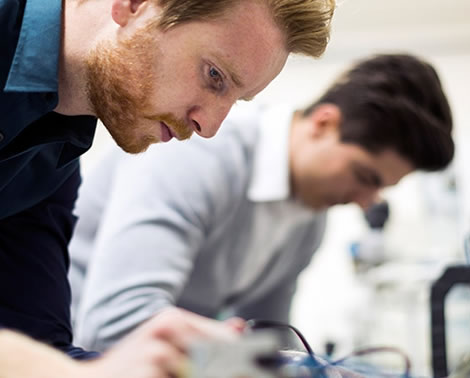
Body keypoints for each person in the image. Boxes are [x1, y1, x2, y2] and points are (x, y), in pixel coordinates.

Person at [0, 0, 333, 373]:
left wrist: (205, 367)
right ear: (135, 5)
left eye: (235, 101)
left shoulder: (51, 156)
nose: (209, 127)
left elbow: (38, 346)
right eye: (214, 76)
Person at [69, 54, 455, 351]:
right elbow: (115, 326)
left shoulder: (308, 219)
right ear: (323, 123)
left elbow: (270, 336)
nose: (365, 202)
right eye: (365, 177)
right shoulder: (200, 152)